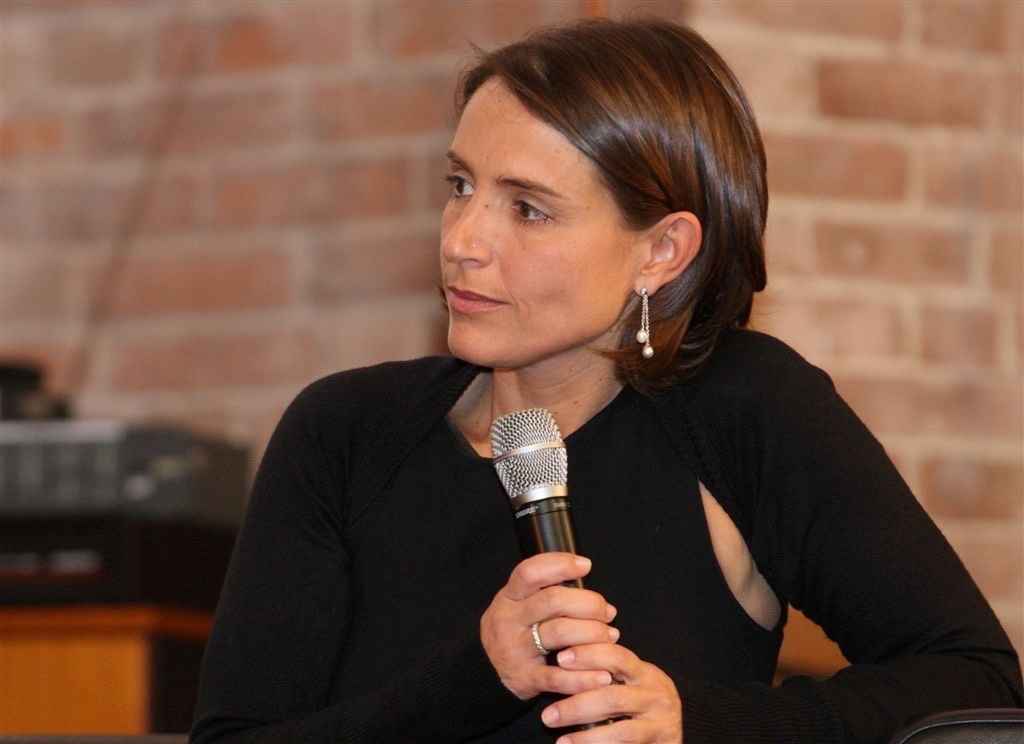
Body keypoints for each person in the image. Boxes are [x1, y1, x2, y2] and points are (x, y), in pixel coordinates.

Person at [189, 17, 1022, 744]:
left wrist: (700, 724)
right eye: (461, 186)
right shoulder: (344, 432)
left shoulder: (747, 410)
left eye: (528, 208)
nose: (462, 240)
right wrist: (479, 676)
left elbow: (973, 682)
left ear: (660, 251)